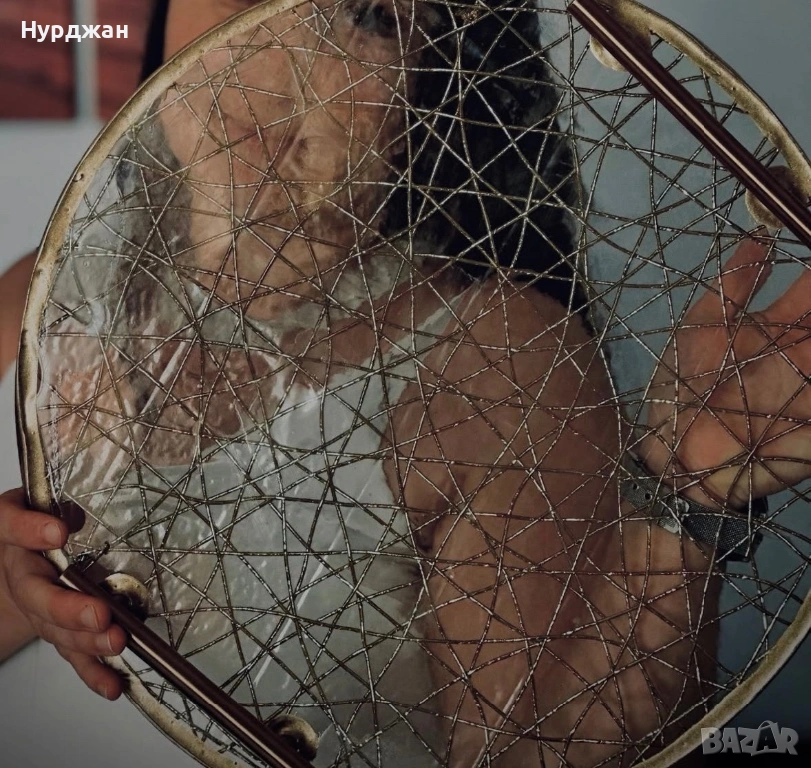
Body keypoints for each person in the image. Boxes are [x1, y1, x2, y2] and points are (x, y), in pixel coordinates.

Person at [2, 1, 810, 766]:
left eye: (367, 15)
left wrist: (690, 491)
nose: (278, 53)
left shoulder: (498, 358)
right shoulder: (46, 290)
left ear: (438, 77)